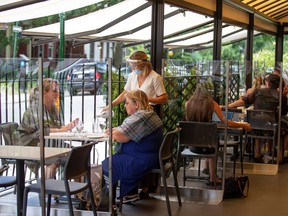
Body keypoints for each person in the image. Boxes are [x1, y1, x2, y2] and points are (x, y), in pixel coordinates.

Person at [100, 90, 163, 209]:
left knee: (108, 163)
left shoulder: (141, 117)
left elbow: (121, 137)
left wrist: (113, 132)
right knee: (117, 159)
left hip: (141, 160)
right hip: (150, 156)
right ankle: (130, 194)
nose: (124, 105)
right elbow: (123, 130)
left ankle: (107, 205)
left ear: (137, 105)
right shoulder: (150, 114)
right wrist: (114, 131)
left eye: (127, 103)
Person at [185, 83, 251, 185]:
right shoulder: (212, 104)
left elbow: (190, 123)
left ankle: (207, 168)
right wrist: (242, 125)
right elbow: (226, 122)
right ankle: (213, 177)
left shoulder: (188, 103)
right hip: (209, 146)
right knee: (211, 142)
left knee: (206, 139)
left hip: (192, 146)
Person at [16, 78, 79, 178]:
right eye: (54, 91)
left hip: (48, 143)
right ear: (44, 92)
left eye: (58, 91)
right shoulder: (36, 107)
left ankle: (76, 191)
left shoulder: (52, 106)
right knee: (54, 161)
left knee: (78, 154)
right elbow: (42, 131)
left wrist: (67, 127)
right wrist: (62, 129)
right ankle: (49, 190)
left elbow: (57, 126)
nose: (57, 94)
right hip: (31, 145)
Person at [227, 74, 287, 162]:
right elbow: (284, 112)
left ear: (268, 83)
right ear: (278, 85)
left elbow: (244, 101)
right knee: (284, 128)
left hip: (255, 126)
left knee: (257, 127)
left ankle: (257, 154)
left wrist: (228, 106)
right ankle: (280, 156)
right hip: (272, 127)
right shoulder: (281, 96)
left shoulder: (258, 92)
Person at [103, 50, 167, 110]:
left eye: (135, 66)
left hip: (148, 110)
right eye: (132, 66)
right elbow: (125, 93)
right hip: (134, 110)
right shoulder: (132, 75)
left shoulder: (155, 77)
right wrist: (111, 105)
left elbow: (164, 98)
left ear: (143, 64)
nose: (133, 68)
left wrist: (145, 99)